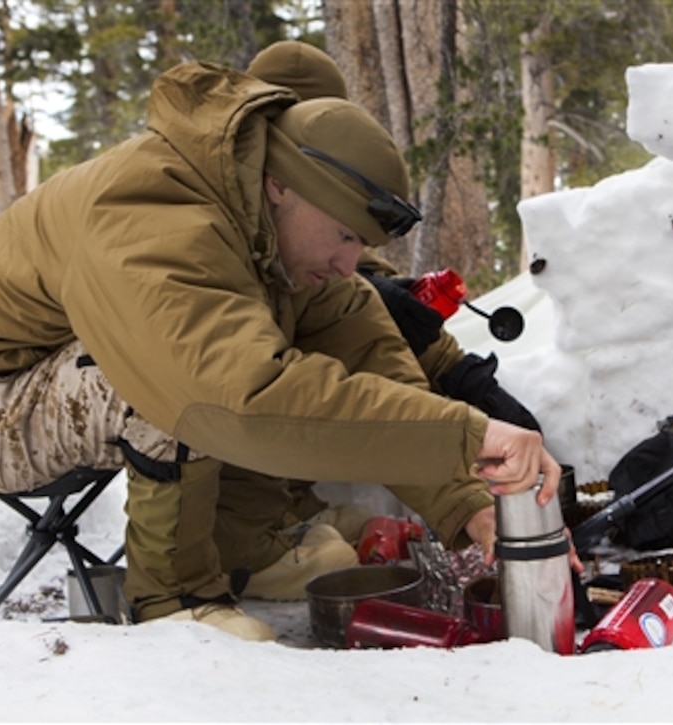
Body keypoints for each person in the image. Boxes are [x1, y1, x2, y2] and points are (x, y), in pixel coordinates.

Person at [0, 58, 563, 641]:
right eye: (341, 237)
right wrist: (466, 432)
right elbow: (230, 396)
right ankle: (175, 600)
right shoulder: (156, 209)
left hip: (56, 369)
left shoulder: (258, 219)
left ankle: (251, 550)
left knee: (288, 326)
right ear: (281, 184)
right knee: (176, 378)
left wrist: (464, 502)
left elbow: (367, 356)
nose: (347, 262)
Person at [219, 41, 546, 602]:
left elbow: (382, 334)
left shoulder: (330, 251)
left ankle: (291, 511)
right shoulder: (216, 222)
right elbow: (243, 384)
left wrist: (471, 392)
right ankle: (246, 542)